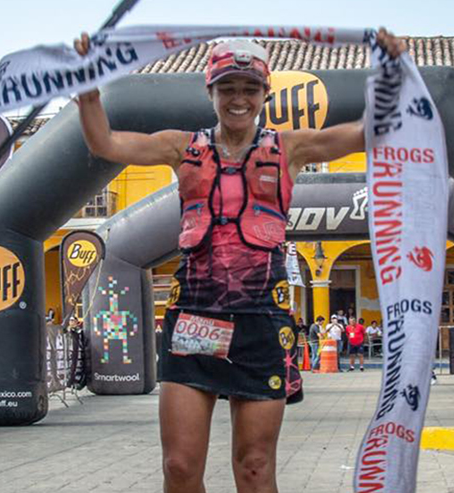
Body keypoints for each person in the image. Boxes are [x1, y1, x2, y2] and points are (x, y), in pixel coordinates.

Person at [74, 29, 404, 493]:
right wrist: (88, 90)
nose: (238, 98)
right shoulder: (181, 147)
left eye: (249, 89)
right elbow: (106, 144)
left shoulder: (290, 149)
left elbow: (367, 132)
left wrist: (390, 71)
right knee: (179, 468)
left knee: (254, 467)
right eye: (227, 88)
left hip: (260, 324)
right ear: (210, 91)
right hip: (193, 320)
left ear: (265, 94)